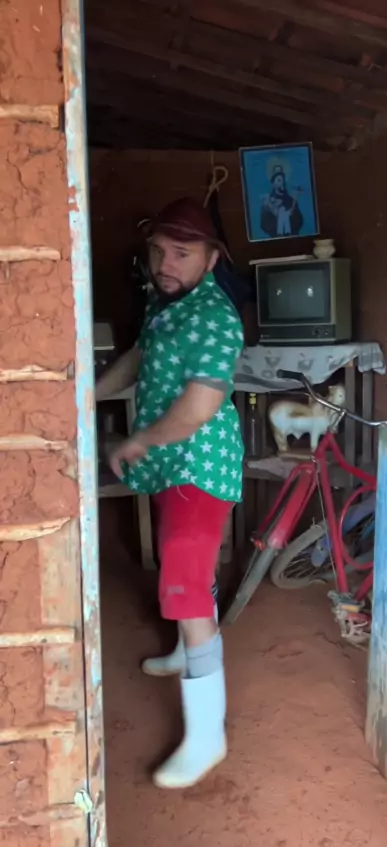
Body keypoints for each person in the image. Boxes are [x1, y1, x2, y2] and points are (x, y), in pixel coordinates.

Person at [96, 197, 244, 789]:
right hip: (170, 462)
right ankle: (187, 650)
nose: (166, 264)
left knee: (183, 579)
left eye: (182, 253)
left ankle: (207, 737)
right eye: (159, 251)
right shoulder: (165, 302)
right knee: (184, 565)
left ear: (212, 260)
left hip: (198, 465)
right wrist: (87, 396)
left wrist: (137, 441)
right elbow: (138, 357)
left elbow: (200, 407)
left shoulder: (216, 318)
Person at [260, 164, 304, 238]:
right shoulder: (268, 201)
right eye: (278, 180)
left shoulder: (290, 200)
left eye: (282, 180)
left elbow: (299, 221)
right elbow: (264, 224)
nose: (281, 182)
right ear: (273, 183)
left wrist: (292, 212)